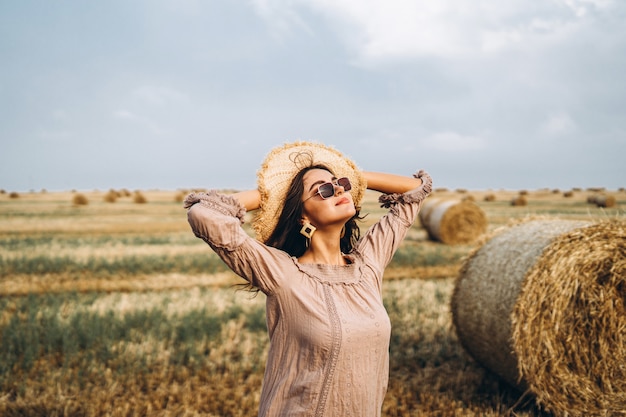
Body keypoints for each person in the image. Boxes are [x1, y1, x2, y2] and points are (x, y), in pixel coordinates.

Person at [184, 141, 432, 417]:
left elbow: (413, 190)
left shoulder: (367, 266)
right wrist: (272, 196)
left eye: (340, 184)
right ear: (303, 214)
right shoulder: (283, 274)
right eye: (322, 190)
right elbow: (203, 214)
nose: (338, 189)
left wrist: (352, 176)